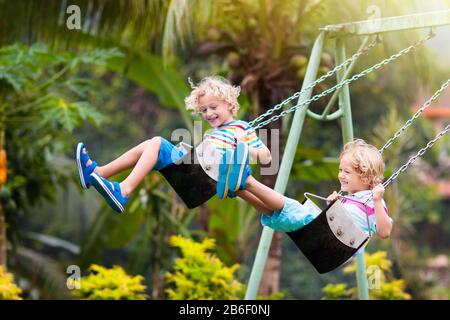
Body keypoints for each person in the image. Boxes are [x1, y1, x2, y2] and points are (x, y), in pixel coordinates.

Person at [75, 76, 271, 212]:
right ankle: (98, 173)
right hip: (197, 174)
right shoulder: (214, 133)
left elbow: (267, 156)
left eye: (213, 107)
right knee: (150, 145)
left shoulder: (242, 128)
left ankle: (123, 191)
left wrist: (244, 149)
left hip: (204, 182)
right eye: (203, 110)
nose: (208, 114)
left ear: (229, 104)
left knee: (158, 143)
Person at [225, 139, 392, 238]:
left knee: (291, 207)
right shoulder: (351, 199)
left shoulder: (372, 199)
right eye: (340, 170)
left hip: (333, 239)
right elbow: (342, 220)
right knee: (274, 213)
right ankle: (238, 190)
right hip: (326, 235)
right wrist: (333, 206)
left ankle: (247, 180)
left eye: (347, 172)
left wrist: (377, 201)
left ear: (366, 177)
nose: (341, 175)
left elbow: (384, 231)